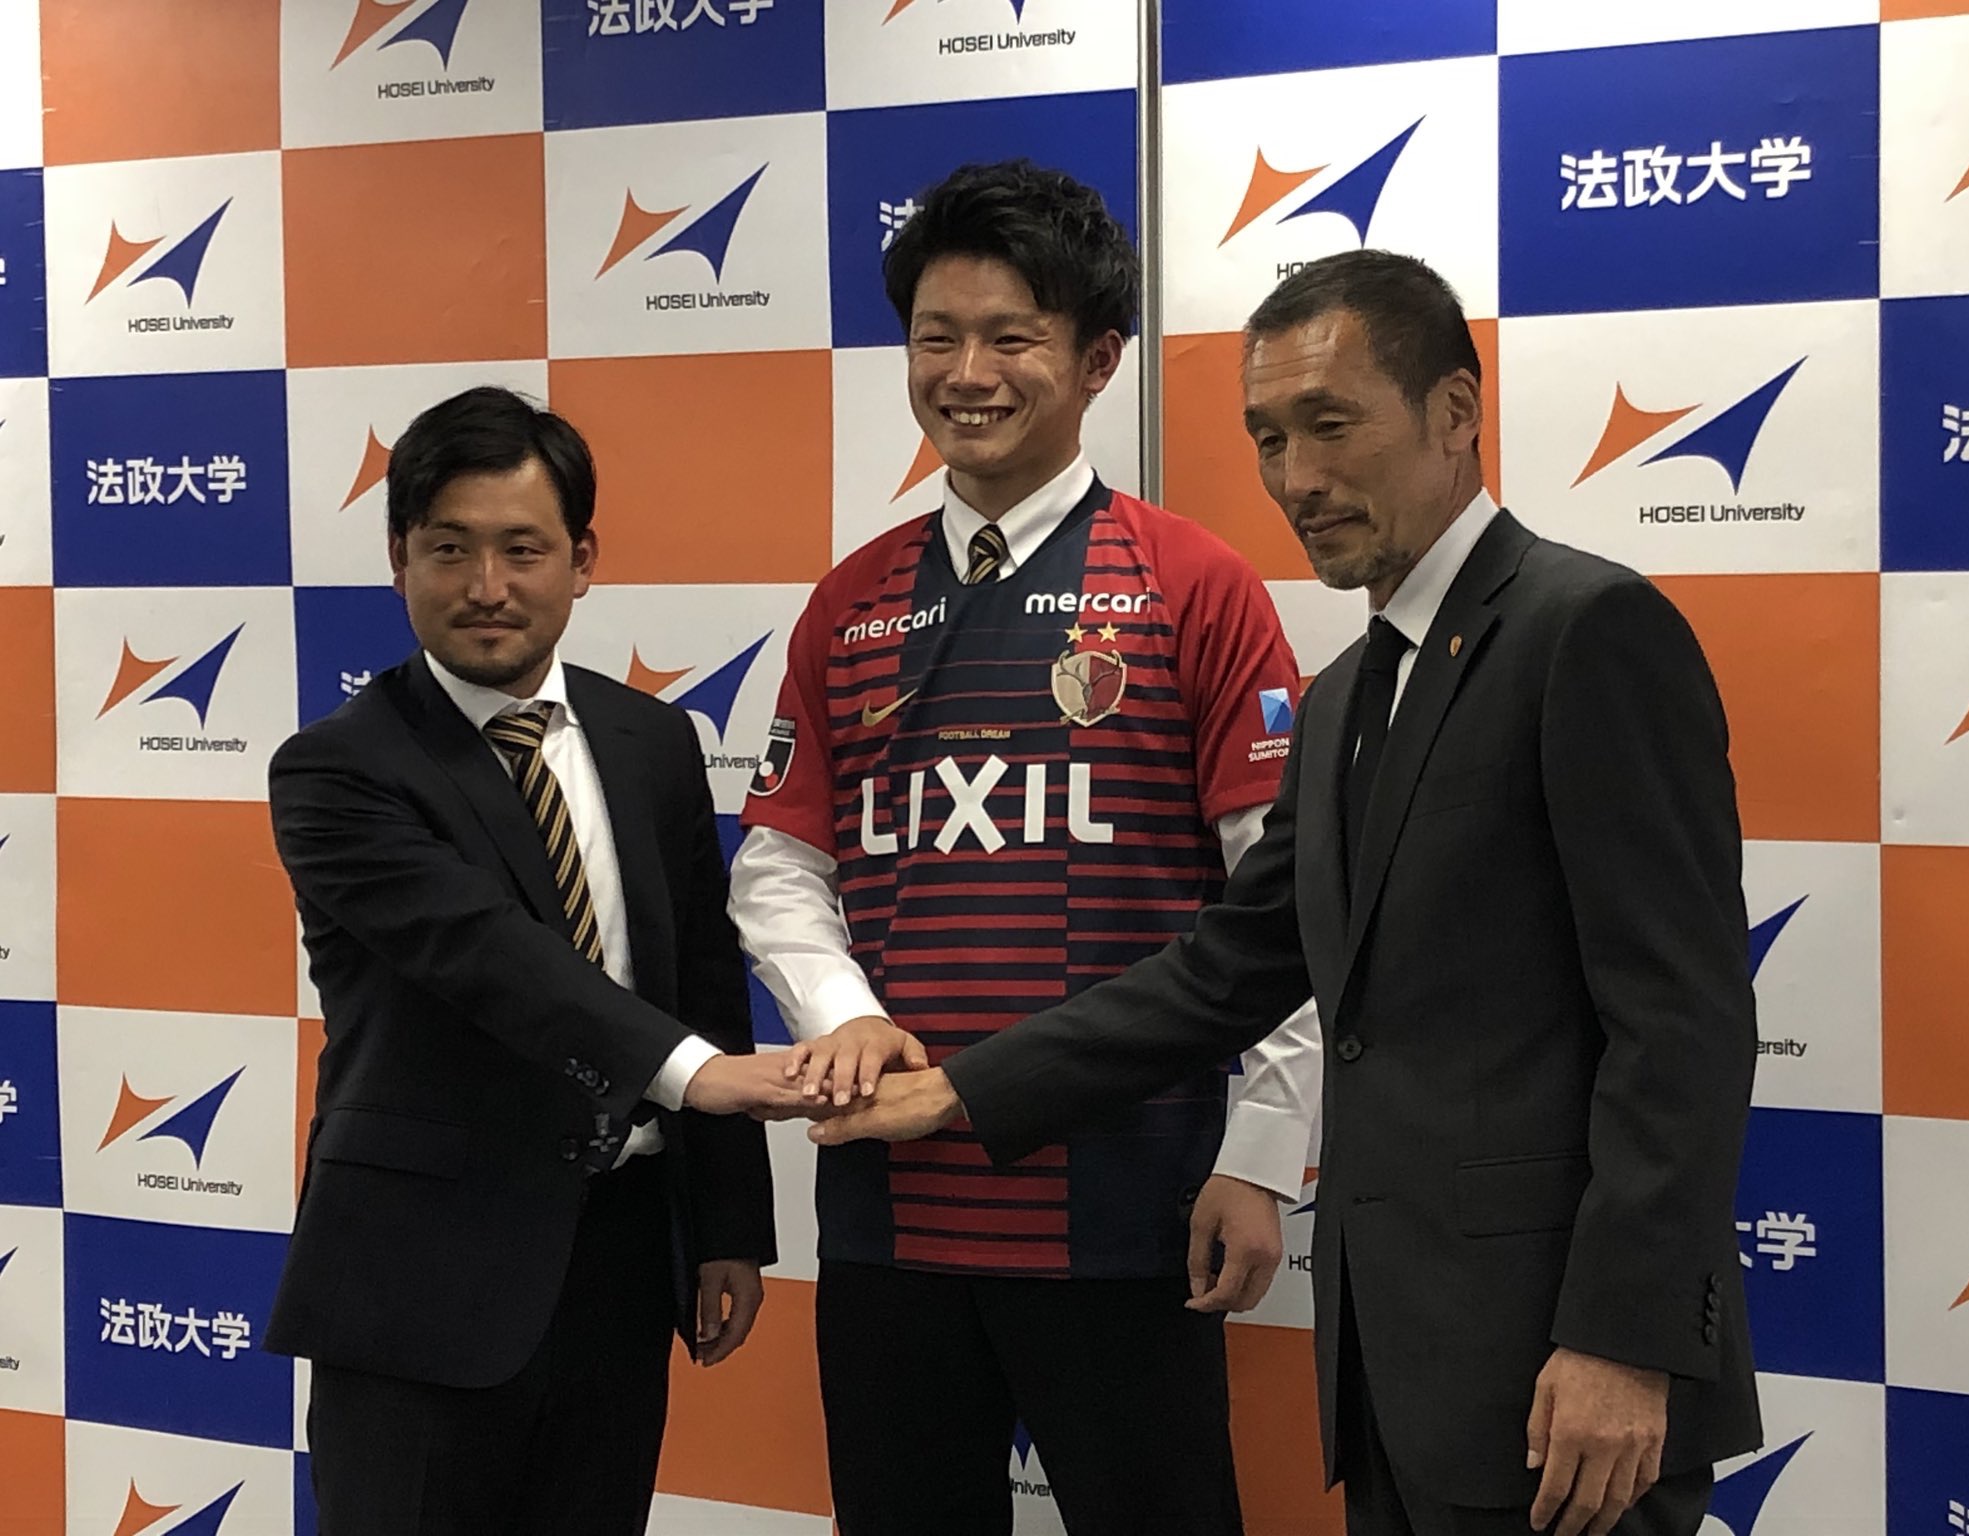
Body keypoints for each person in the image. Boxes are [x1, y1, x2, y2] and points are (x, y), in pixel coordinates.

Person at [811, 250, 1764, 1536]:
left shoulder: (1584, 629)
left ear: (1453, 412)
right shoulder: (1346, 697)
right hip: (1402, 1367)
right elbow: (1225, 969)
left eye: (1329, 424)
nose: (1295, 477)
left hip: (1565, 1369)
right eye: (1266, 437)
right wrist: (962, 1091)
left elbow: (1680, 1023)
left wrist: (1623, 1340)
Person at [730, 161, 1321, 1536]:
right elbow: (778, 862)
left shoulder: (1193, 584)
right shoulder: (850, 601)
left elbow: (1283, 904)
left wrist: (1260, 1152)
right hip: (888, 1212)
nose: (967, 374)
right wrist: (843, 1017)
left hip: (1131, 1205)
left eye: (1012, 337)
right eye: (936, 337)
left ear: (1098, 359)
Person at [266, 385, 803, 1536]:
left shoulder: (651, 740)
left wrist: (725, 1227)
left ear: (582, 561)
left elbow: (701, 978)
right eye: (448, 549)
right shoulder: (337, 768)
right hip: (419, 1283)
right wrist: (692, 1074)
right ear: (398, 558)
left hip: (619, 1260)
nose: (486, 586)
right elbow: (485, 953)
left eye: (522, 549)